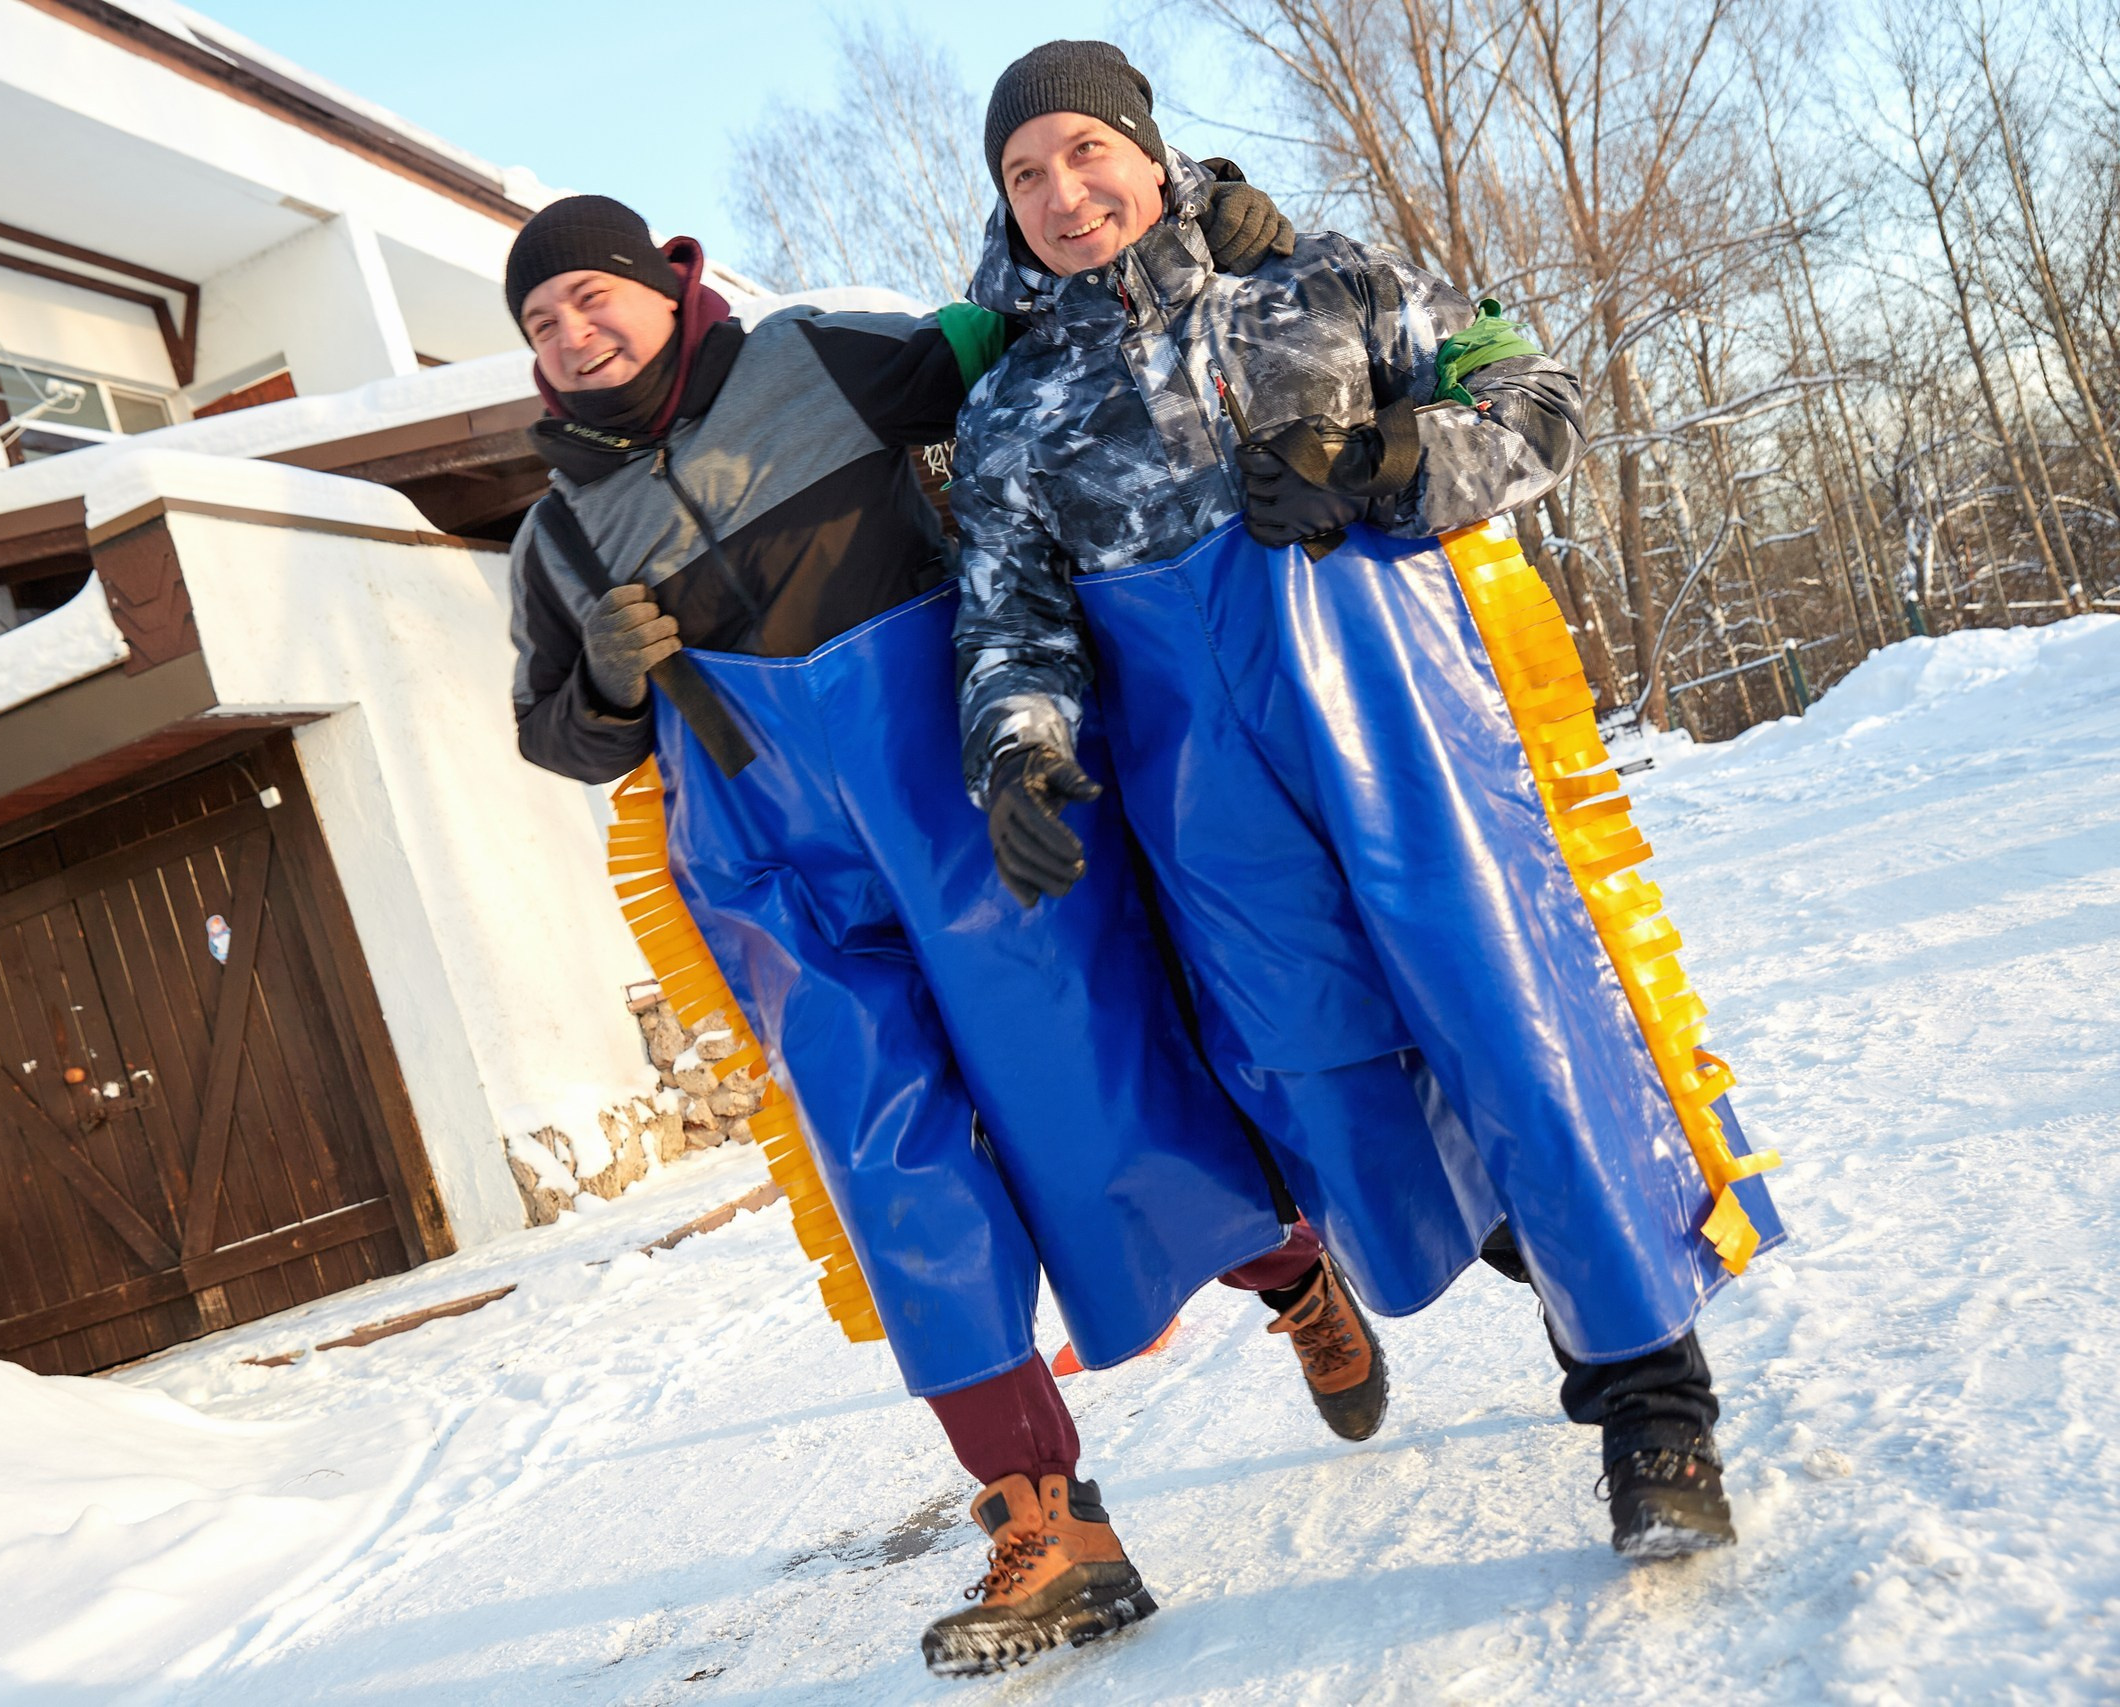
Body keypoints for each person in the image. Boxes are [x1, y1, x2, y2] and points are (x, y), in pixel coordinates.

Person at [498, 190, 1386, 1678]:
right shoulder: (555, 539)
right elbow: (561, 738)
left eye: (594, 297)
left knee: (1094, 1101)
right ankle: (1047, 1520)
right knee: (892, 1168)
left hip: (962, 808)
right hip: (777, 874)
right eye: (542, 322)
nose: (575, 334)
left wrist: (1211, 240)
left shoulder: (816, 362)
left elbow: (1035, 330)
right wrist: (598, 677)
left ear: (665, 283)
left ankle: (1290, 1274)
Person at [950, 40, 1787, 1573]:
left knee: (1515, 1042)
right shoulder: (1012, 408)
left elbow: (1535, 402)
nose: (1063, 193)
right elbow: (1010, 617)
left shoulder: (1322, 284)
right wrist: (1018, 749)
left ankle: (1651, 1405)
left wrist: (1392, 458)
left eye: (1085, 151)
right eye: (1026, 173)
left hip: (1404, 735)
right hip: (1212, 805)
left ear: (1149, 154)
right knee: (1346, 1102)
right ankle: (1554, 1275)